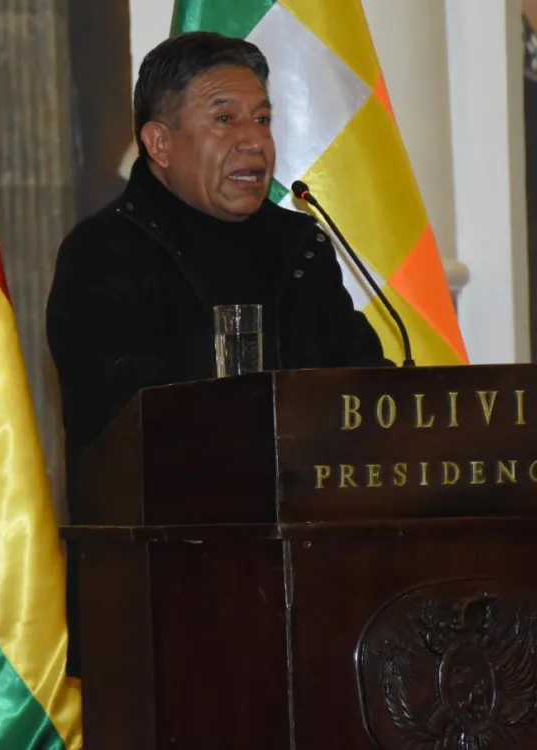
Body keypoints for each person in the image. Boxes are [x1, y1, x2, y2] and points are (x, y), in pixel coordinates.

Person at [45, 31, 390, 675]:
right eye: (225, 118)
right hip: (162, 598)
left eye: (262, 118)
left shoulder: (300, 247)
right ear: (159, 144)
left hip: (319, 593)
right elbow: (124, 426)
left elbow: (363, 389)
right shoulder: (104, 257)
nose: (254, 141)